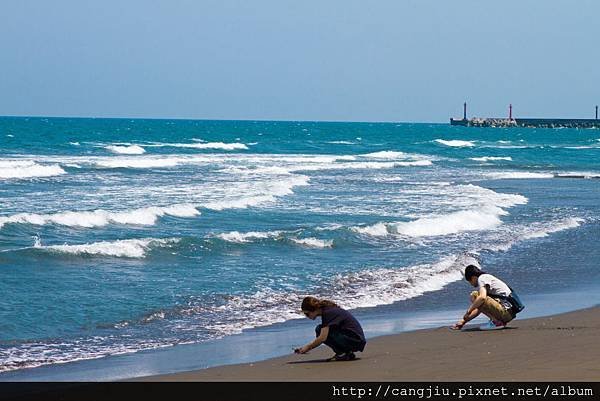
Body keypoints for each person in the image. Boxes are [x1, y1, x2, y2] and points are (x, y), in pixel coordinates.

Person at [294, 296, 366, 361]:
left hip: (356, 340)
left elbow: (322, 338)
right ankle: (345, 353)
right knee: (322, 329)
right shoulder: (327, 309)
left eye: (307, 314)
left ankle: (342, 353)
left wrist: (307, 347)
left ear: (314, 309)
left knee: (320, 330)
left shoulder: (327, 313)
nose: (307, 316)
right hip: (355, 338)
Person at [451, 264, 518, 331]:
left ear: (473, 277)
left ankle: (496, 322)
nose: (471, 284)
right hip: (509, 314)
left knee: (475, 295)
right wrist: (463, 322)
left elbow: (482, 298)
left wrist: (468, 311)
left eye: (470, 281)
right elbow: (480, 308)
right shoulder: (487, 278)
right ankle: (497, 321)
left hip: (505, 312)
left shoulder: (481, 278)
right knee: (478, 300)